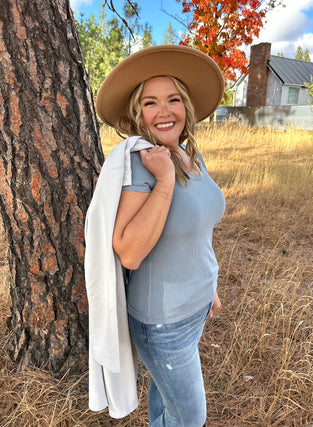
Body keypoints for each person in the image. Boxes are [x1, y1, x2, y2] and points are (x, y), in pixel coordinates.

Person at [86, 45, 225, 426]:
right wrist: (164, 181)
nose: (164, 112)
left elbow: (198, 231)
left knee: (166, 403)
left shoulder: (189, 154)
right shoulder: (142, 163)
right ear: (138, 113)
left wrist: (207, 285)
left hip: (195, 306)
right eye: (150, 103)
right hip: (163, 322)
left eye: (173, 99)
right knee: (190, 418)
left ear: (187, 107)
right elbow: (128, 252)